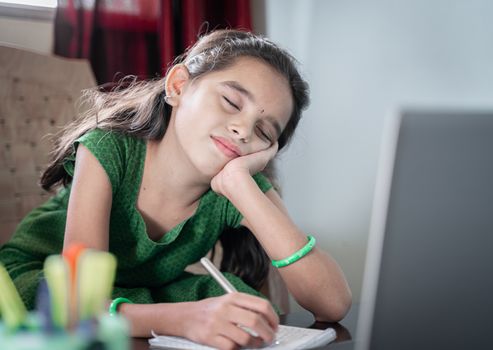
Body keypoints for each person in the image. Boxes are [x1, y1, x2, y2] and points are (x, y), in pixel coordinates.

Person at [0, 29, 351, 349]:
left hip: (138, 293)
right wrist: (182, 320)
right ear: (178, 86)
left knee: (233, 303)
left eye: (264, 132)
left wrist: (241, 186)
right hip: (50, 288)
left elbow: (332, 303)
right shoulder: (109, 149)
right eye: (231, 102)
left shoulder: (237, 184)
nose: (244, 131)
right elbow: (76, 304)